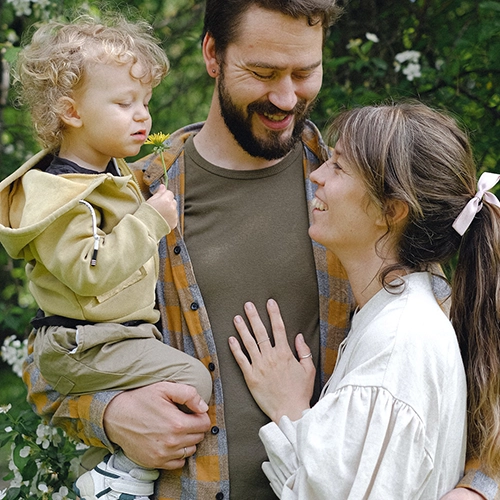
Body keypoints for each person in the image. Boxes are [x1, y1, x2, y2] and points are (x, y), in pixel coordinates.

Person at [18, 2, 498, 499]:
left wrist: (480, 489)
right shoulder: (134, 199)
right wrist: (112, 416)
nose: (286, 97)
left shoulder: (364, 196)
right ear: (212, 55)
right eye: (263, 72)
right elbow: (54, 355)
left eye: (304, 72)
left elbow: (468, 371)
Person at [229, 102, 500, 498]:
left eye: (338, 166)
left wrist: (290, 410)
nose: (317, 176)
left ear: (390, 211)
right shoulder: (397, 318)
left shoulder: (396, 345)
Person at [0, 14, 212, 500]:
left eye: (145, 102)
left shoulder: (107, 175)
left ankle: (105, 479)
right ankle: (124, 477)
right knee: (192, 376)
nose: (143, 116)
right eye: (124, 103)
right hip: (82, 344)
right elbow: (89, 270)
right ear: (71, 113)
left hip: (107, 338)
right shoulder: (57, 196)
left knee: (157, 394)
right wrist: (152, 221)